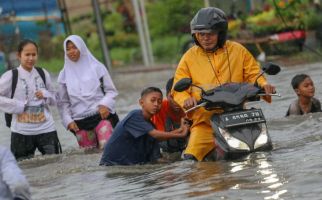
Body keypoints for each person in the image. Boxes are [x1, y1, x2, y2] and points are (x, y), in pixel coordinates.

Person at [172, 7, 276, 161]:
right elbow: (178, 89)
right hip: (205, 124)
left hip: (239, 118)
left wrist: (264, 84)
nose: (205, 38)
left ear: (221, 34)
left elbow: (254, 73)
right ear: (195, 35)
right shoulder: (188, 57)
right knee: (190, 163)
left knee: (265, 151)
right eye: (201, 34)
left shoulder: (238, 50)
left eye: (211, 34)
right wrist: (185, 100)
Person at [0, 39, 61, 160]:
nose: (31, 58)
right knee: (25, 169)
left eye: (34, 54)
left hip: (47, 129)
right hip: (21, 132)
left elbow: (56, 99)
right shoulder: (11, 76)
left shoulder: (43, 73)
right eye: (27, 54)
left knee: (56, 163)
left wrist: (46, 94)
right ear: (19, 55)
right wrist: (17, 105)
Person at [100, 87, 190, 166]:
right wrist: (181, 134)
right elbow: (156, 135)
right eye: (152, 100)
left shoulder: (150, 127)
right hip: (111, 165)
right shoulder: (135, 115)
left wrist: (180, 165)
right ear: (141, 102)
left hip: (132, 167)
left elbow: (157, 160)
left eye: (159, 102)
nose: (156, 104)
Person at [57, 35, 118, 150]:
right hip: (80, 123)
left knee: (108, 148)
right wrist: (68, 120)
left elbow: (111, 91)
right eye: (68, 49)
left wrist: (104, 104)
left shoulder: (97, 68)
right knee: (89, 155)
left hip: (101, 116)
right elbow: (63, 102)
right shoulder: (63, 76)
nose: (71, 51)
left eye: (74, 47)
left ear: (82, 48)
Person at [151, 77, 188, 153]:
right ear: (166, 96)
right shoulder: (160, 108)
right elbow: (158, 137)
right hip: (166, 145)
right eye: (172, 97)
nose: (176, 101)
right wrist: (180, 130)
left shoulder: (190, 106)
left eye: (179, 97)